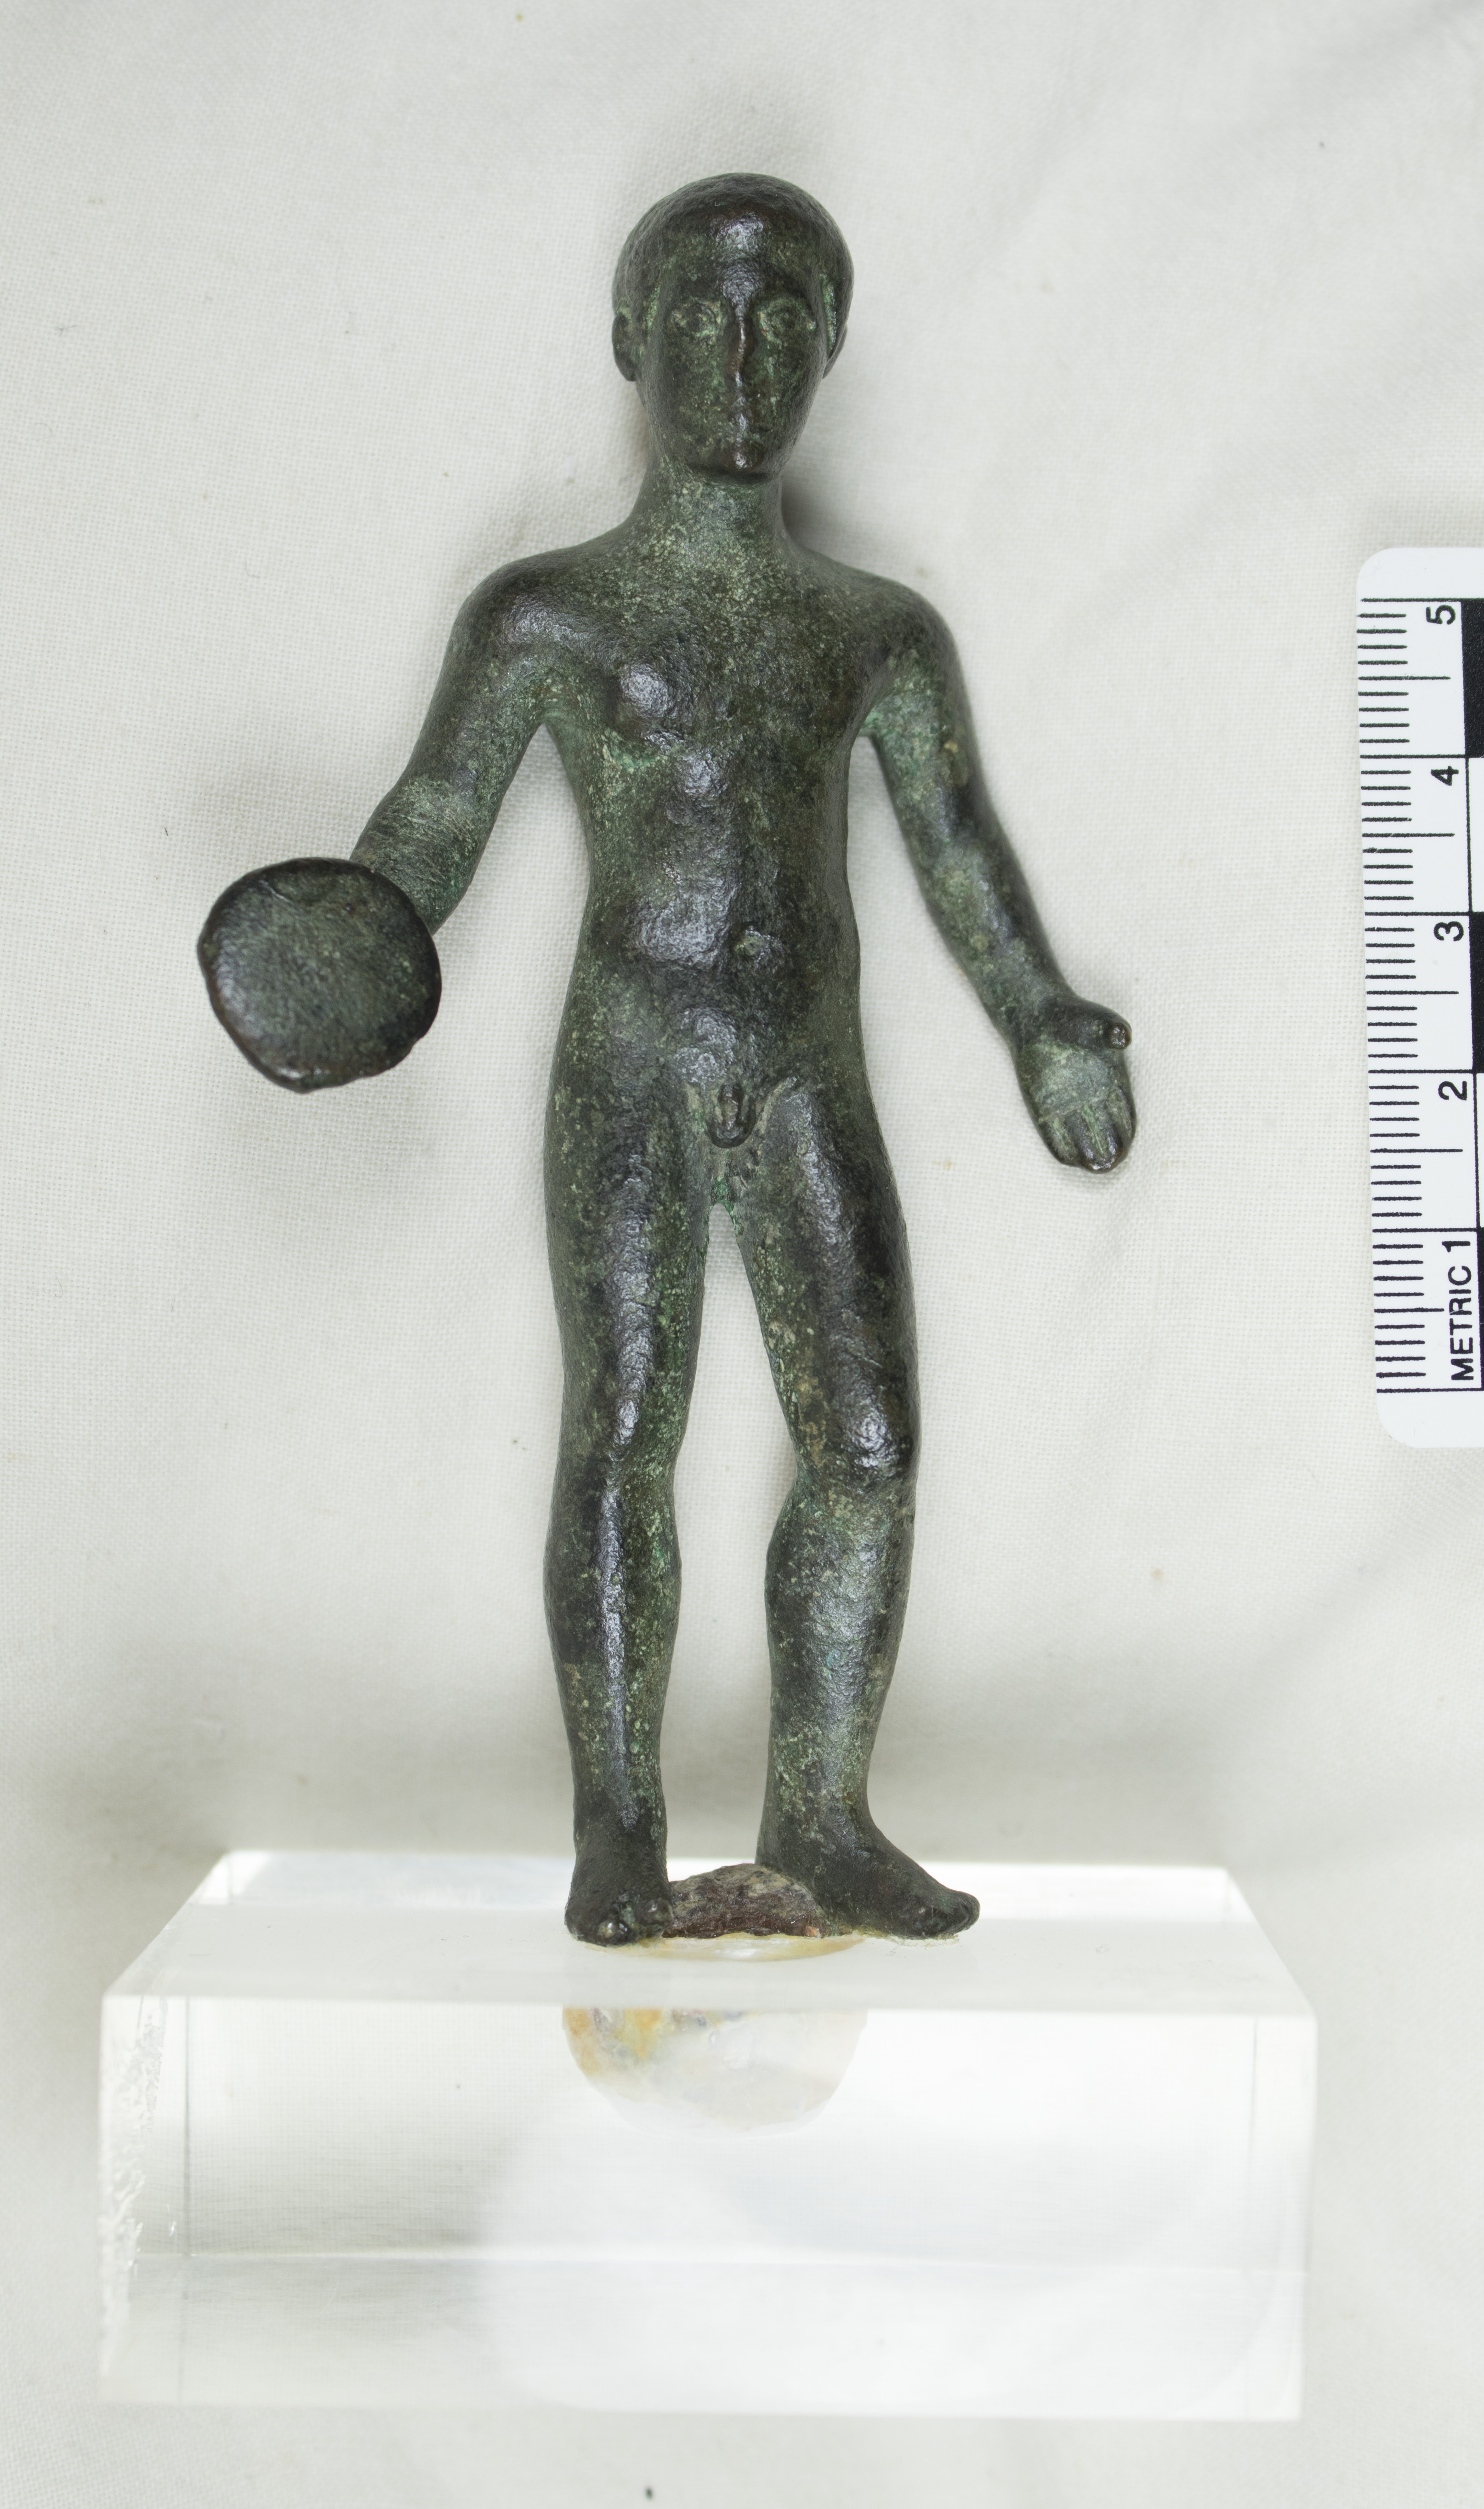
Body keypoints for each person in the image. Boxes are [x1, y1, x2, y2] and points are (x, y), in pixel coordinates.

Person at [349, 174, 1136, 1944]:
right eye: (702, 314)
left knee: (870, 1444)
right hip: (630, 1060)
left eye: (786, 319)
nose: (743, 356)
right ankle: (618, 1832)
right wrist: (348, 941)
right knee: (627, 1429)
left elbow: (956, 848)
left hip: (805, 1071)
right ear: (632, 341)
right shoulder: (550, 614)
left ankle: (823, 1806)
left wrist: (1041, 1018)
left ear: (830, 352)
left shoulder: (874, 633)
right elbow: (434, 823)